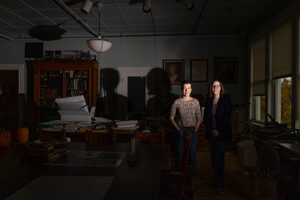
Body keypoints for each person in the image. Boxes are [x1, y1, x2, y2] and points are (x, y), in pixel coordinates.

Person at [203, 80, 232, 194]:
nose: (215, 87)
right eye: (213, 86)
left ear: (221, 88)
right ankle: (216, 180)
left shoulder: (226, 101)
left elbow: (226, 118)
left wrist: (218, 130)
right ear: (211, 88)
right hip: (211, 134)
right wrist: (211, 130)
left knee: (219, 159)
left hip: (222, 134)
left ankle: (220, 185)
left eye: (217, 85)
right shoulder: (209, 101)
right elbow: (206, 117)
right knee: (214, 159)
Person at [170, 80, 201, 175]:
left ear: (191, 89)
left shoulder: (195, 102)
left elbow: (199, 118)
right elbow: (171, 117)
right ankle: (180, 177)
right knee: (180, 155)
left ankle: (190, 179)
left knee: (192, 156)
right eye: (184, 88)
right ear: (182, 89)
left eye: (188, 88)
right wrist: (178, 129)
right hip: (181, 131)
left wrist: (195, 130)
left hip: (192, 130)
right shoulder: (177, 102)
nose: (186, 90)